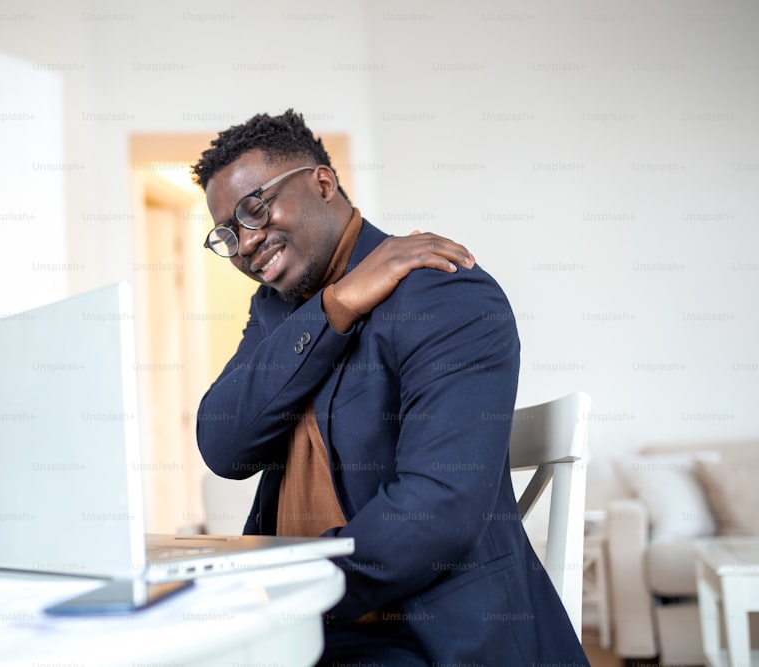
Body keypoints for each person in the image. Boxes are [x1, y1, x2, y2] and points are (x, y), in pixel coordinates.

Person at [192, 109, 589, 666]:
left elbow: (437, 508)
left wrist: (291, 590)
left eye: (254, 209)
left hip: (426, 641)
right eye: (228, 234)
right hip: (304, 634)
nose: (246, 244)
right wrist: (336, 307)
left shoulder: (444, 292)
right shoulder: (277, 311)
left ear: (323, 182)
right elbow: (224, 446)